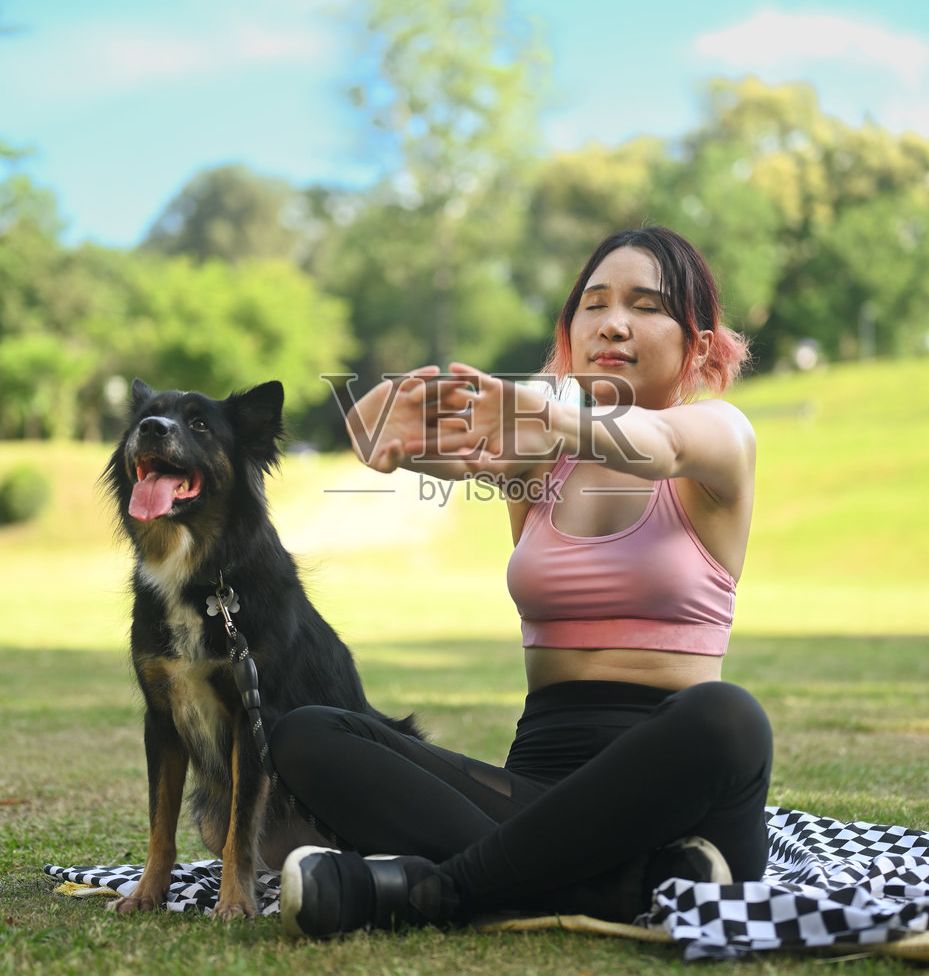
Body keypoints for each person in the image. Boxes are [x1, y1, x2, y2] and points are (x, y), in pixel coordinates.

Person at [270, 227, 773, 938]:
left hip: (677, 787)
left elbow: (656, 446)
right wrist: (396, 408)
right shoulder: (539, 461)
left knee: (730, 718)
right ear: (570, 332)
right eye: (593, 304)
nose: (614, 322)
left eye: (646, 305)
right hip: (535, 791)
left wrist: (542, 413)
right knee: (307, 733)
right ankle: (612, 884)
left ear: (696, 344)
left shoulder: (719, 436)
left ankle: (440, 888)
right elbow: (374, 428)